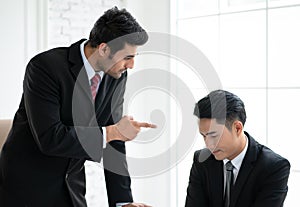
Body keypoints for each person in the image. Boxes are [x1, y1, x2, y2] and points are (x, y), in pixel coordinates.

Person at [0, 7, 155, 207]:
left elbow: (115, 139)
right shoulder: (45, 67)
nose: (132, 65)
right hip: (26, 187)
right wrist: (110, 133)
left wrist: (122, 202)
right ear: (104, 49)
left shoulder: (116, 75)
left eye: (135, 57)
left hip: (72, 187)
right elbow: (50, 138)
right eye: (127, 57)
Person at [185, 90, 290, 207]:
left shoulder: (273, 167)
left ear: (237, 128)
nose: (208, 144)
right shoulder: (202, 160)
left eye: (213, 135)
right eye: (204, 136)